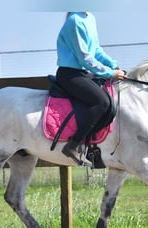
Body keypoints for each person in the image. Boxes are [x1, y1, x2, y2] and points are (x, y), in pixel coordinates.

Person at [55, 12, 126, 165]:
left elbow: (96, 51)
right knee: (102, 102)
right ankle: (73, 145)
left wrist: (113, 65)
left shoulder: (90, 18)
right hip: (70, 74)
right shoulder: (75, 21)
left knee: (110, 101)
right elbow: (85, 58)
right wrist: (110, 73)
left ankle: (93, 145)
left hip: (83, 73)